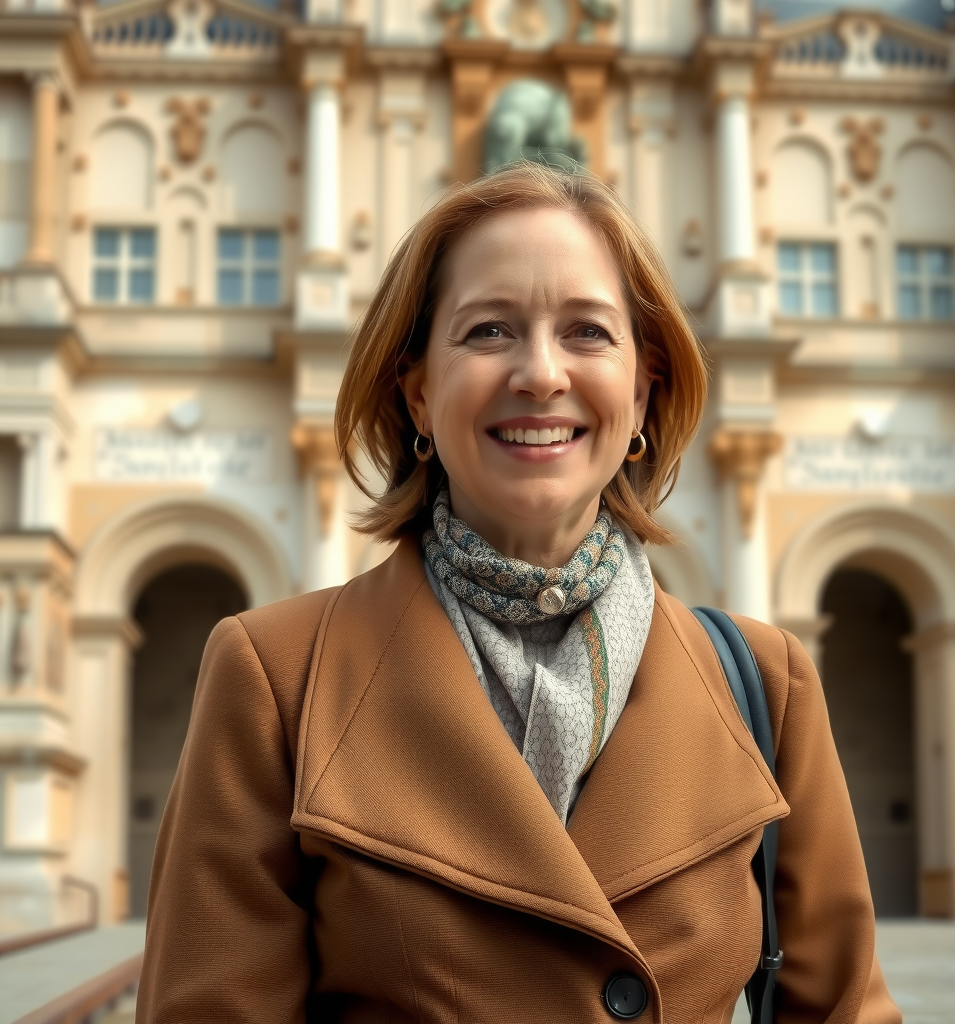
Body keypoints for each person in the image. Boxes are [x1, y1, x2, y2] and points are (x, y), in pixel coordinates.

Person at [138, 162, 901, 1024]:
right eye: (489, 331)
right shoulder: (276, 677)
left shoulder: (766, 683)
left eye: (588, 332)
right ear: (418, 393)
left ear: (646, 386)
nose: (541, 374)